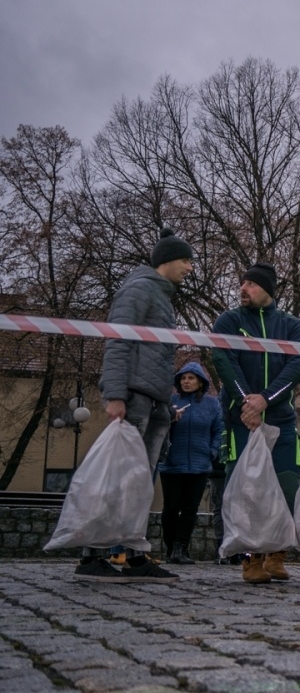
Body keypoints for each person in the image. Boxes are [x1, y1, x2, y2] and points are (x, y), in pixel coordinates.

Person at [82, 229, 192, 582]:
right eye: (186, 260)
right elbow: (117, 341)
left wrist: (166, 403)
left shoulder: (161, 297)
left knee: (139, 484)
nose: (190, 268)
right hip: (132, 399)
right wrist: (114, 394)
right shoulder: (138, 290)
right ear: (168, 260)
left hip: (154, 402)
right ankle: (92, 556)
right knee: (117, 478)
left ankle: (131, 554)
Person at [210, 263, 300, 585]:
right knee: (246, 491)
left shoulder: (291, 326)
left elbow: (297, 366)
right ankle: (250, 558)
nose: (243, 288)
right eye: (242, 282)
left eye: (251, 284)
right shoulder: (230, 321)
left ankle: (276, 554)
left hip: (280, 421)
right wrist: (245, 402)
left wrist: (265, 399)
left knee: (286, 487)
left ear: (268, 289)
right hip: (241, 420)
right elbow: (224, 360)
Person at [161, 361, 224, 564]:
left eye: (191, 378)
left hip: (200, 464)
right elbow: (159, 427)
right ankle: (170, 548)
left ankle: (182, 548)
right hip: (172, 464)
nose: (186, 382)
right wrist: (170, 419)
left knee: (190, 508)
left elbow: (218, 430)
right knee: (171, 508)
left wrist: (212, 452)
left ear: (200, 382)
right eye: (183, 378)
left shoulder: (212, 404)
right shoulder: (170, 401)